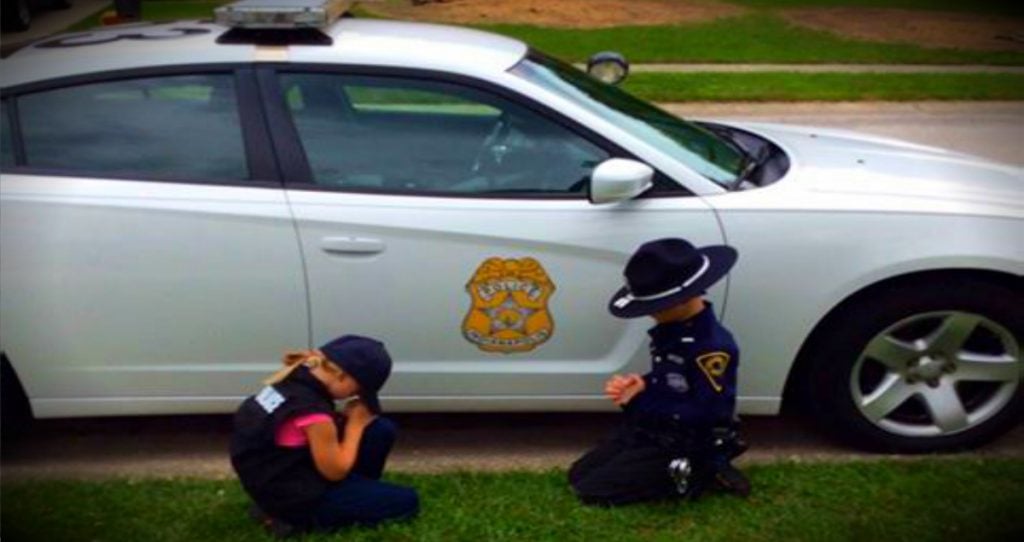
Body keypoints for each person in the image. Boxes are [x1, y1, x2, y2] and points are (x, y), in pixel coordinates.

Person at [568, 238, 750, 506]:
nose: (650, 315)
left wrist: (639, 402)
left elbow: (708, 412)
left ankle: (703, 469)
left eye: (656, 307)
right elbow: (672, 379)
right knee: (578, 476)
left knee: (594, 492)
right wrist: (643, 383)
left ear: (683, 299)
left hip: (688, 438)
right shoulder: (674, 331)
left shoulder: (710, 348)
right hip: (656, 428)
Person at [230, 335, 418, 536]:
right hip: (297, 498)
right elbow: (335, 472)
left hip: (276, 479)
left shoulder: (290, 383)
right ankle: (291, 521)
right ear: (343, 377)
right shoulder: (313, 412)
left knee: (379, 429)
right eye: (358, 390)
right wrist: (355, 425)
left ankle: (354, 493)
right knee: (407, 501)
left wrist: (342, 421)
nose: (353, 397)